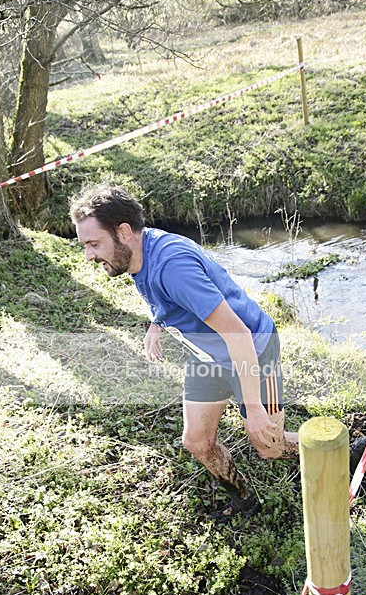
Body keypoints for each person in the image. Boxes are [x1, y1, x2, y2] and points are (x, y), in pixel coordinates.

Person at [70, 183, 299, 515]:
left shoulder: (173, 267)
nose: (89, 255)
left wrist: (254, 407)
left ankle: (336, 448)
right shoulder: (138, 253)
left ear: (123, 232)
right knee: (197, 441)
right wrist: (156, 324)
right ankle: (245, 501)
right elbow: (161, 293)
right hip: (209, 356)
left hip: (253, 350)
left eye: (93, 244)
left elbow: (238, 334)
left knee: (270, 446)